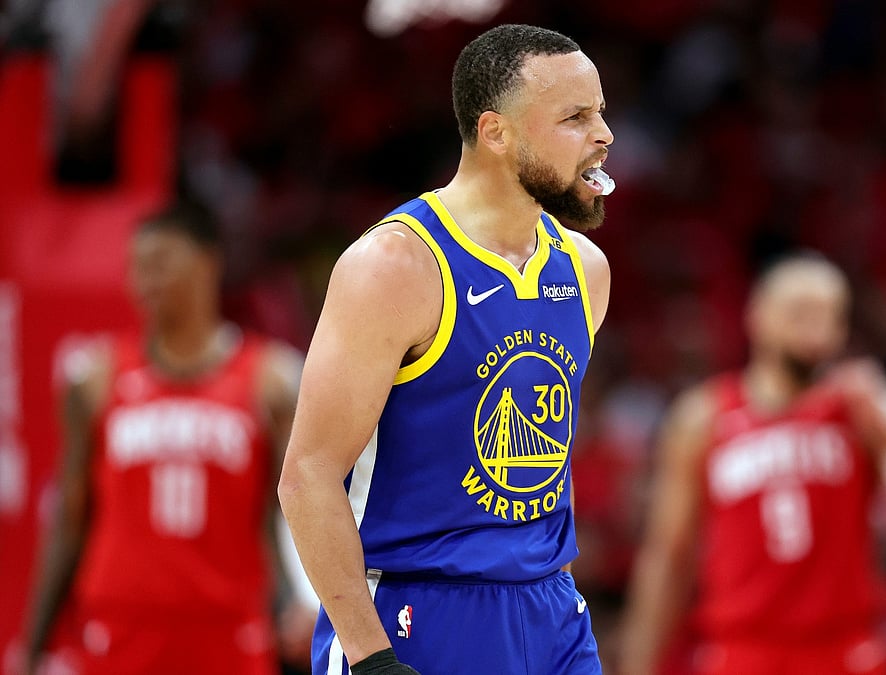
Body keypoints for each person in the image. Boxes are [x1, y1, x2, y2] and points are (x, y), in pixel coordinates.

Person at [277, 23, 613, 675]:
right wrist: (370, 656)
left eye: (601, 112)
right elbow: (308, 475)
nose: (603, 136)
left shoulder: (585, 269)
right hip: (416, 613)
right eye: (576, 117)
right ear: (495, 133)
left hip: (551, 612)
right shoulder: (394, 265)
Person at [619, 254, 886, 675]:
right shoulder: (703, 416)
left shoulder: (863, 408)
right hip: (740, 650)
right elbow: (667, 557)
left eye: (829, 314)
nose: (815, 326)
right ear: (756, 316)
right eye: (800, 311)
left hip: (845, 648)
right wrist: (637, 664)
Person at [23, 201, 309, 674]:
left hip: (228, 628)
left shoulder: (270, 380)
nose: (145, 280)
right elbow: (69, 519)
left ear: (209, 262)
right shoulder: (94, 380)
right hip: (119, 628)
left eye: (160, 262)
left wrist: (303, 601)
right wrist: (32, 648)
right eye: (136, 267)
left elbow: (292, 512)